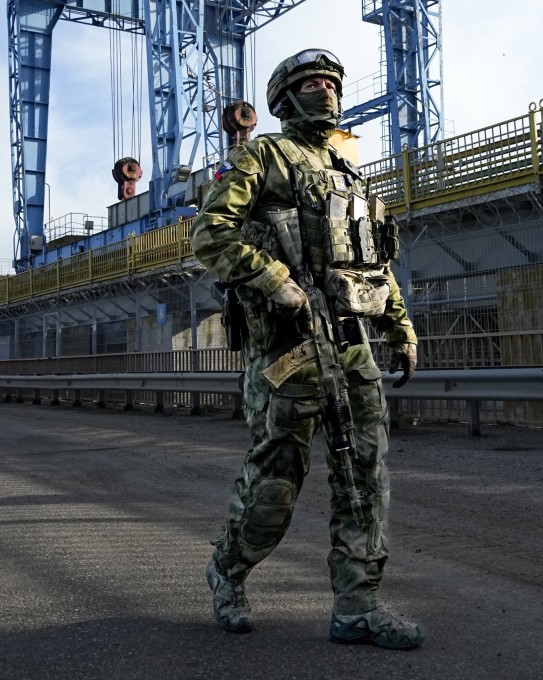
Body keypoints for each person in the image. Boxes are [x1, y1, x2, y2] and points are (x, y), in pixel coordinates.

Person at [190, 48, 424, 651]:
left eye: (331, 82)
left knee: (364, 479)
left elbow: (373, 259)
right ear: (286, 98)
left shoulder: (349, 169)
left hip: (351, 347)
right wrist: (273, 278)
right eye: (313, 83)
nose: (326, 91)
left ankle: (358, 607)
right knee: (276, 484)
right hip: (287, 353)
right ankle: (228, 570)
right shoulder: (262, 156)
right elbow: (209, 233)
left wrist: (400, 327)